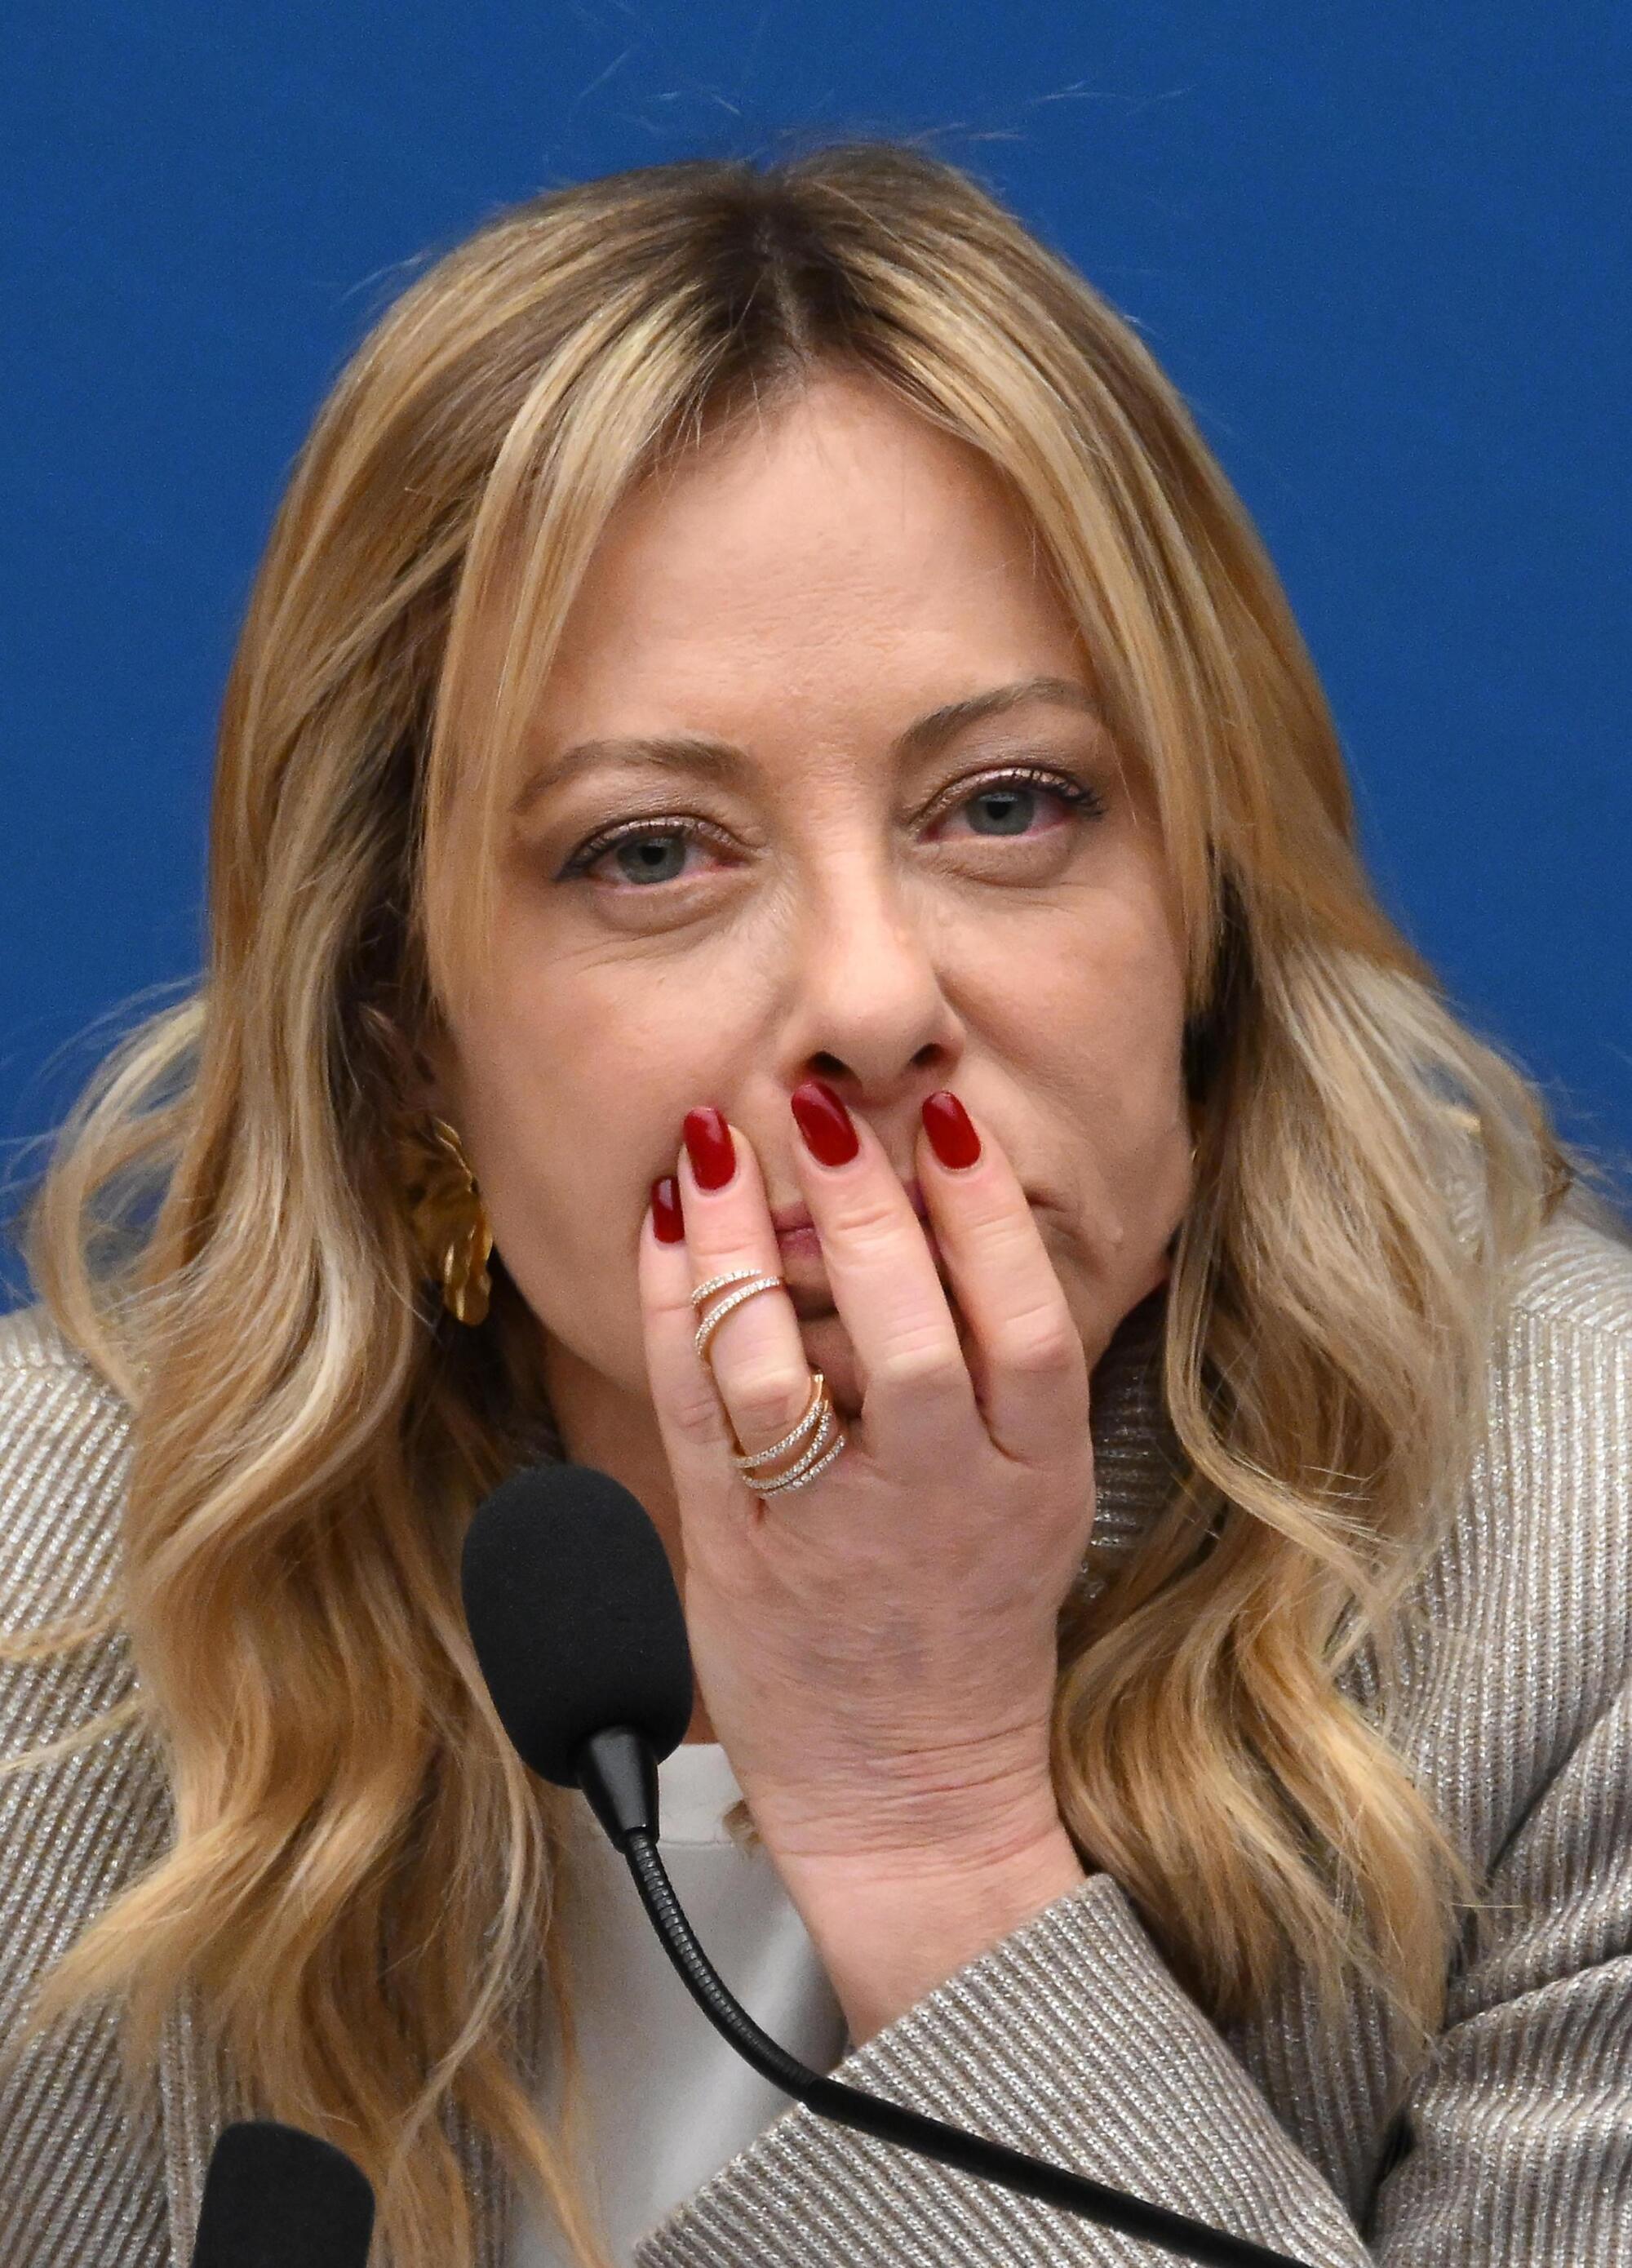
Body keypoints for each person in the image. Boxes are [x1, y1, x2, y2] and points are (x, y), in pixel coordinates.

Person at [1, 138, 1627, 2268]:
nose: (872, 999)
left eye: (1008, 806)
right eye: (650, 851)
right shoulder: (43, 1594)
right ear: (406, 1035)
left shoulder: (1585, 1578)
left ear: (1206, 923)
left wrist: (934, 1833)